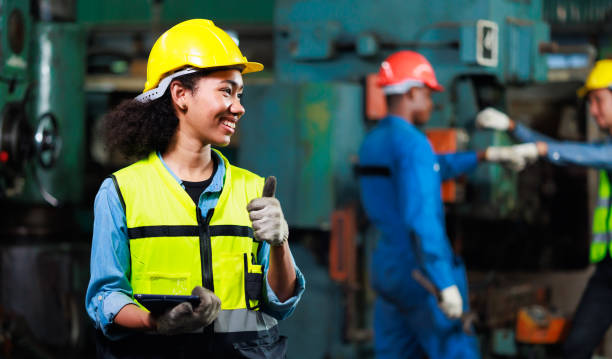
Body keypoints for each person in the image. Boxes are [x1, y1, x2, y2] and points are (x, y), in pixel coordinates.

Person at [85, 19, 305, 358]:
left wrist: (280, 243)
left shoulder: (255, 189)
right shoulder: (121, 192)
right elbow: (105, 298)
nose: (239, 106)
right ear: (181, 94)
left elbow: (280, 305)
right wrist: (154, 322)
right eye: (226, 91)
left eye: (240, 94)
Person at [357, 50, 536, 359]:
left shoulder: (372, 142)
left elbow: (428, 168)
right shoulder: (414, 144)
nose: (431, 103)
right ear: (412, 92)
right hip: (422, 275)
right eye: (427, 94)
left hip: (386, 269)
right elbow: (420, 220)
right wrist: (444, 282)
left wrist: (484, 156)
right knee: (455, 350)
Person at [476, 59, 612, 359]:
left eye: (599, 100)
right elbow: (569, 150)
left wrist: (542, 150)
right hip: (608, 270)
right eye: (590, 103)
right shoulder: (605, 145)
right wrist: (512, 128)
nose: (593, 111)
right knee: (576, 347)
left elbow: (590, 155)